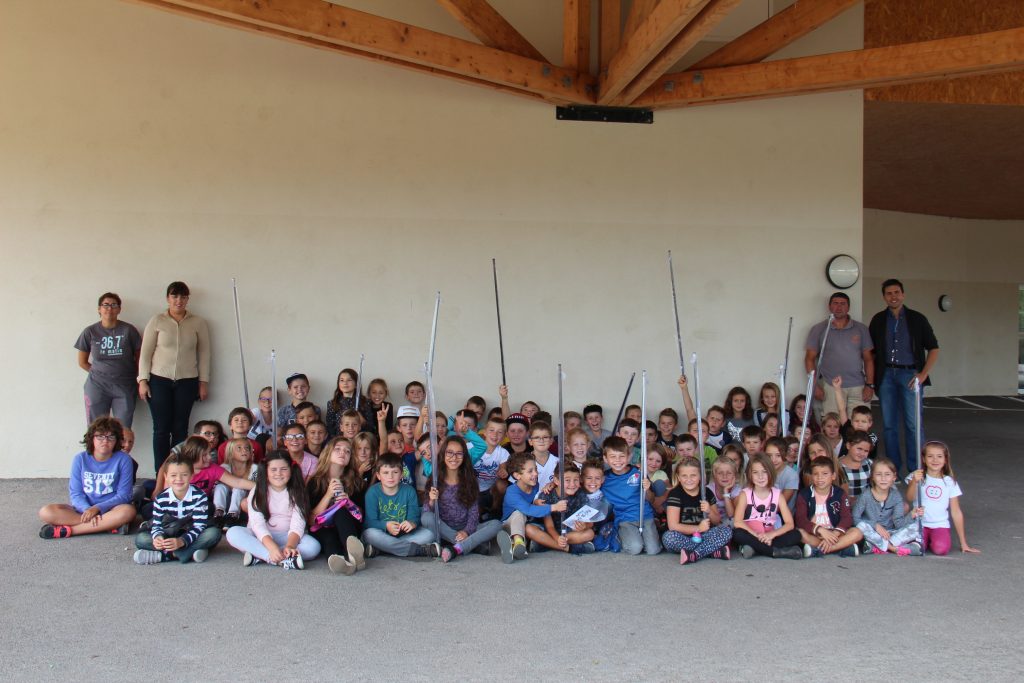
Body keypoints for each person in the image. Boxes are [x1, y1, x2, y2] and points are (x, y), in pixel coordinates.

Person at [869, 279, 939, 475]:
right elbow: (871, 353)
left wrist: (923, 374)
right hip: (886, 376)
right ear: (884, 297)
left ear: (903, 294)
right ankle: (892, 471)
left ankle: (916, 470)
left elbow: (933, 348)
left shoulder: (917, 319)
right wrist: (872, 378)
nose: (893, 296)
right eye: (889, 293)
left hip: (910, 374)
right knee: (889, 425)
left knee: (913, 424)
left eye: (897, 292)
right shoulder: (878, 320)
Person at [138, 281, 211, 470]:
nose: (179, 300)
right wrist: (143, 380)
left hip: (187, 381)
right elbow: (145, 353)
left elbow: (204, 353)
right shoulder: (157, 321)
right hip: (159, 380)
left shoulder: (198, 322)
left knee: (180, 429)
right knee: (161, 429)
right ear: (168, 298)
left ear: (188, 299)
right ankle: (160, 474)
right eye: (174, 296)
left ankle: (179, 471)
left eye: (183, 296)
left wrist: (203, 382)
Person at [38, 417, 137, 538]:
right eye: (100, 436)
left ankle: (70, 531)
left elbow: (124, 495)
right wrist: (87, 510)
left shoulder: (124, 459)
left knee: (128, 512)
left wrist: (97, 508)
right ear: (92, 438)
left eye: (111, 437)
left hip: (111, 509)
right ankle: (108, 525)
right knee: (46, 512)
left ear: (117, 440)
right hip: (82, 510)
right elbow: (76, 493)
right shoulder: (80, 459)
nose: (105, 441)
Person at [225, 450, 320, 569]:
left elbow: (298, 524)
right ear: (266, 471)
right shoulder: (258, 490)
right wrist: (271, 547)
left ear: (291, 470)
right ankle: (275, 558)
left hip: (287, 536)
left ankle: (258, 555)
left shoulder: (298, 491)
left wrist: (290, 545)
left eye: (284, 469)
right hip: (260, 537)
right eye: (273, 470)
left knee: (313, 546)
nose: (278, 473)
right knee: (233, 533)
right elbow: (256, 523)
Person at [133, 451, 222, 564]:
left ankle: (166, 556)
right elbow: (157, 525)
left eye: (184, 475)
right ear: (166, 477)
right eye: (173, 475)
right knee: (141, 539)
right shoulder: (161, 499)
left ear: (191, 476)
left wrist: (182, 541)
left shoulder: (200, 496)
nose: (179, 479)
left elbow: (199, 526)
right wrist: (158, 537)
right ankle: (190, 552)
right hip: (169, 533)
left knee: (213, 534)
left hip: (190, 533)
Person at [422, 436, 502, 562]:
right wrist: (432, 500)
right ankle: (471, 545)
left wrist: (466, 531)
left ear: (464, 457)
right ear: (443, 455)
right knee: (426, 518)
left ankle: (457, 548)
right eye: (450, 453)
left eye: (459, 454)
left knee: (497, 524)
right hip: (444, 529)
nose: (454, 457)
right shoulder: (435, 478)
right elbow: (426, 511)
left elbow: (474, 512)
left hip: (466, 527)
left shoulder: (469, 479)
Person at [804, 292, 875, 420]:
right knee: (832, 426)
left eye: (843, 304)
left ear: (848, 307)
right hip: (830, 387)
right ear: (829, 306)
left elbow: (868, 359)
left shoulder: (861, 329)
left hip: (857, 387)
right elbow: (809, 359)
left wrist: (869, 385)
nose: (839, 307)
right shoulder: (819, 329)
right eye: (835, 303)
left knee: (858, 426)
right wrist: (814, 386)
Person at [75, 292, 142, 428]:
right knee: (96, 428)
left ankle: (119, 450)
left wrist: (138, 379)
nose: (109, 308)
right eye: (105, 305)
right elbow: (82, 362)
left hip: (125, 385)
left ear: (119, 309)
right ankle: (94, 450)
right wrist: (100, 373)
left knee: (123, 429)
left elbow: (140, 359)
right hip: (97, 386)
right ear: (99, 309)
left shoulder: (129, 330)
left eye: (113, 305)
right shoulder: (90, 332)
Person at [905, 441, 980, 555]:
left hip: (940, 524)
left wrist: (963, 543)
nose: (935, 460)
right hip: (919, 523)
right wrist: (914, 481)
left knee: (941, 549)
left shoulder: (949, 482)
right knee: (916, 548)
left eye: (939, 456)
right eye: (930, 456)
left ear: (945, 460)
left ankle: (932, 539)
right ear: (924, 459)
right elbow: (910, 498)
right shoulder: (917, 476)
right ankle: (924, 540)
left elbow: (956, 512)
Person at [306, 437, 367, 575]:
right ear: (328, 453)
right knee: (328, 536)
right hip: (323, 528)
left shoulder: (356, 481)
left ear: (350, 458)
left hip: (348, 527)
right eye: (337, 449)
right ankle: (340, 562)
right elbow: (310, 520)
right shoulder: (315, 482)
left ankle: (354, 553)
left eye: (347, 451)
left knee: (341, 511)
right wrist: (328, 495)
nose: (342, 453)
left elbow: (361, 516)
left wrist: (348, 502)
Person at [362, 453, 438, 558]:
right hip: (381, 534)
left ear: (402, 474)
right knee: (369, 534)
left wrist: (412, 523)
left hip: (404, 536)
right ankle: (417, 550)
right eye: (385, 473)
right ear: (378, 476)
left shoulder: (409, 491)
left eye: (395, 472)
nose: (390, 476)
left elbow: (414, 517)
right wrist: (386, 525)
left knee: (429, 535)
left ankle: (381, 549)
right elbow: (369, 522)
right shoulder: (372, 492)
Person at [496, 453, 567, 563]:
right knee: (519, 514)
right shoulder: (512, 492)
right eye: (530, 471)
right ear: (517, 475)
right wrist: (554, 507)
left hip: (526, 524)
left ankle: (512, 546)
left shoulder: (535, 485)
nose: (535, 473)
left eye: (535, 469)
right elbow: (528, 509)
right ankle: (518, 542)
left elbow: (538, 495)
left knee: (532, 525)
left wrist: (552, 484)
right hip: (508, 525)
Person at [661, 456, 732, 564]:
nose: (689, 479)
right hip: (683, 536)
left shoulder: (706, 492)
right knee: (668, 538)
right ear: (679, 477)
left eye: (693, 475)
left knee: (726, 531)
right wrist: (698, 528)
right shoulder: (675, 494)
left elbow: (717, 521)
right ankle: (711, 551)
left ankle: (694, 554)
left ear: (700, 476)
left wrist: (709, 511)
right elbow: (673, 526)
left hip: (705, 536)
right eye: (684, 476)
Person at [732, 454, 802, 559]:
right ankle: (774, 552)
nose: (760, 476)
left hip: (770, 535)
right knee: (737, 534)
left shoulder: (777, 494)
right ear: (750, 475)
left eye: (764, 472)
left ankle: (755, 549)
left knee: (796, 534)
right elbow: (738, 522)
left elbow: (789, 524)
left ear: (770, 472)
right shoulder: (745, 494)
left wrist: (771, 535)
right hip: (752, 534)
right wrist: (757, 535)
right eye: (755, 473)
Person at [601, 436, 660, 556]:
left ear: (629, 456)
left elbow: (652, 499)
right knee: (635, 548)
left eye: (622, 456)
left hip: (645, 516)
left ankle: (650, 531)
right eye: (613, 457)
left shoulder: (638, 473)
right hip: (625, 519)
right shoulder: (604, 478)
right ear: (605, 459)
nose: (618, 460)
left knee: (653, 550)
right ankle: (618, 535)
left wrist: (647, 489)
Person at [793, 457, 863, 557]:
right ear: (811, 476)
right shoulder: (804, 494)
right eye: (816, 474)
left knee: (857, 532)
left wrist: (835, 533)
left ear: (833, 476)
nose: (820, 477)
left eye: (825, 474)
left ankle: (820, 550)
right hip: (815, 533)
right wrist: (820, 530)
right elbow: (801, 520)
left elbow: (847, 518)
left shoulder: (840, 494)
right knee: (799, 533)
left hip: (835, 534)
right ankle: (841, 549)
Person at [852, 458, 922, 556]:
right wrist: (875, 525)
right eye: (879, 474)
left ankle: (876, 547)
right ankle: (892, 548)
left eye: (887, 474)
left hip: (890, 534)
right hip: (872, 532)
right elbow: (855, 518)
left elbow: (899, 524)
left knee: (917, 526)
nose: (883, 478)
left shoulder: (896, 496)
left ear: (894, 478)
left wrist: (911, 515)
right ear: (872, 477)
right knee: (861, 527)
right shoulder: (865, 495)